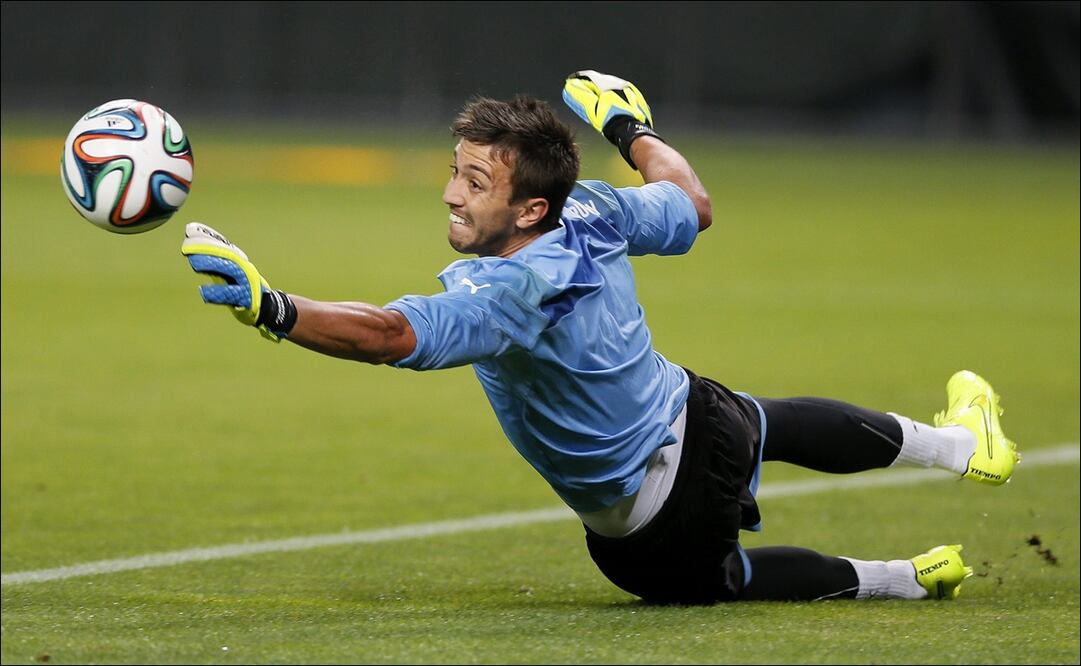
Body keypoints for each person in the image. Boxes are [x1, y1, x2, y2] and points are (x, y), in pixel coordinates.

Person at [181, 70, 1020, 604]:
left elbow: (391, 334)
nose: (450, 195)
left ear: (529, 208)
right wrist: (630, 130)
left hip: (653, 505)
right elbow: (691, 204)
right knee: (755, 445)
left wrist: (274, 308)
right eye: (454, 171)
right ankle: (942, 483)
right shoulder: (593, 207)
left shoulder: (509, 287)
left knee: (726, 536)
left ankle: (918, 537)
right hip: (668, 468)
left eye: (475, 181)